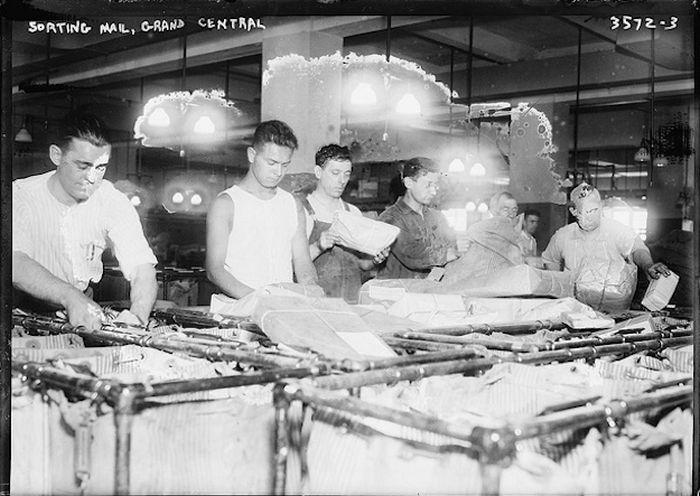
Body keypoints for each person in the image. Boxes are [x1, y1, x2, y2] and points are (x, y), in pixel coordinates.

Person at [12, 110, 158, 330]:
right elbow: (15, 263)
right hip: (19, 310)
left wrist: (137, 317)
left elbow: (142, 268)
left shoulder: (112, 200)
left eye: (100, 168)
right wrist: (70, 297)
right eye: (83, 166)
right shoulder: (20, 195)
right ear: (56, 155)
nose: (92, 178)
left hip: (82, 309)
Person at [206, 120, 320, 299]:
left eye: (285, 165)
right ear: (252, 155)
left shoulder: (292, 204)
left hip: (281, 308)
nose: (278, 172)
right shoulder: (226, 204)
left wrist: (312, 289)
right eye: (271, 163)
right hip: (239, 310)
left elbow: (302, 262)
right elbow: (215, 270)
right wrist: (259, 300)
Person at [542, 182, 670, 310]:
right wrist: (556, 292)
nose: (592, 217)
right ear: (573, 211)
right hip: (575, 309)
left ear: (601, 206)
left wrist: (648, 265)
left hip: (614, 309)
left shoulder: (615, 229)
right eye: (586, 212)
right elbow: (550, 261)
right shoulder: (562, 236)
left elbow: (636, 248)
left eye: (595, 210)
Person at [301, 144, 389, 303]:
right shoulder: (304, 211)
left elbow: (360, 265)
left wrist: (374, 260)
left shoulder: (353, 212)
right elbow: (293, 265)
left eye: (346, 174)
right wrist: (318, 246)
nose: (342, 181)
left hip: (351, 301)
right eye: (335, 173)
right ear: (318, 172)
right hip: (317, 305)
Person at [377, 157, 458, 279]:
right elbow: (412, 255)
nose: (433, 191)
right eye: (428, 185)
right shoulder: (390, 219)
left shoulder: (437, 217)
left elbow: (451, 244)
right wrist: (447, 254)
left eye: (435, 185)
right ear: (408, 183)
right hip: (399, 292)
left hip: (429, 290)